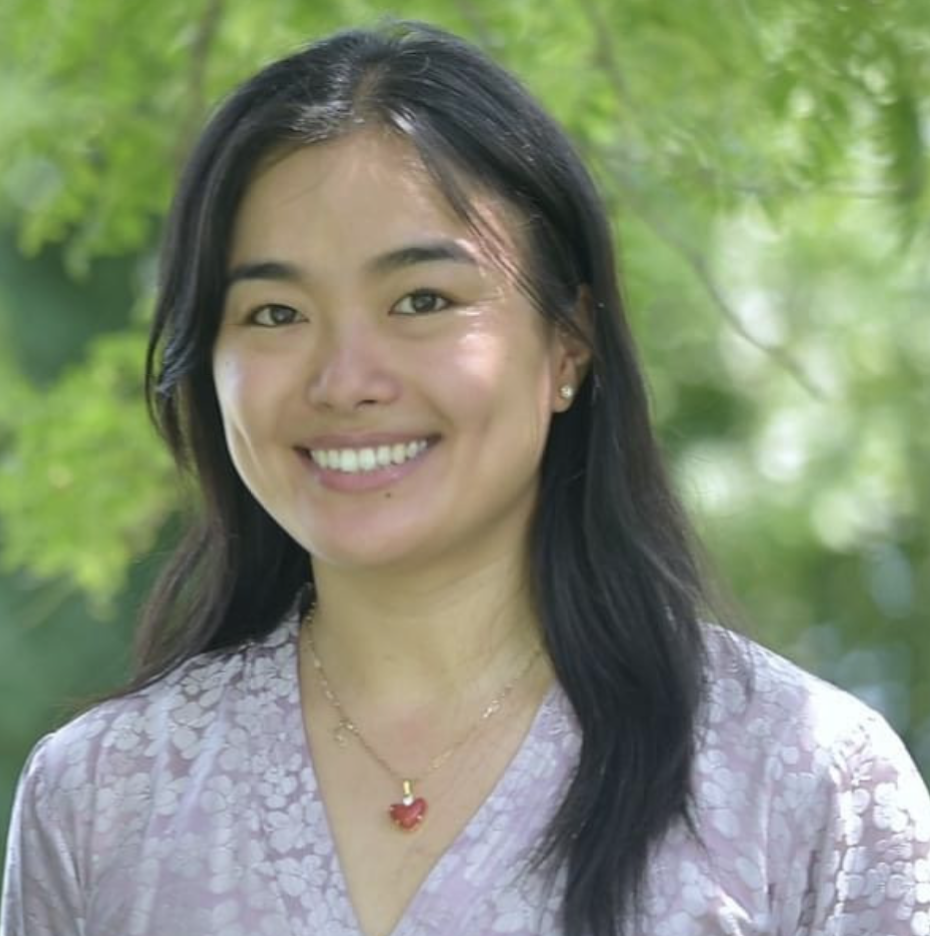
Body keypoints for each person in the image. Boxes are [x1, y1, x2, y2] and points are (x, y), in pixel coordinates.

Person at [2, 19, 929, 936]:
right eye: (276, 313)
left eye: (422, 300)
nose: (345, 381)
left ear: (569, 343)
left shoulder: (803, 780)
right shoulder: (101, 799)